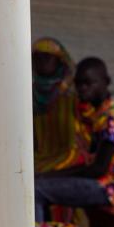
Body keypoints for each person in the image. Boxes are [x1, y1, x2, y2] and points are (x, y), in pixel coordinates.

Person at [32, 57, 114, 219]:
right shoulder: (103, 113)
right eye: (78, 84)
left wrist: (49, 175)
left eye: (88, 83)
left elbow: (97, 169)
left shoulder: (113, 117)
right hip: (112, 184)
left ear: (106, 82)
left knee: (36, 188)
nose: (82, 89)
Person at [31, 36, 84, 173]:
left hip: (69, 154)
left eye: (47, 57)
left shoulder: (74, 92)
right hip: (39, 155)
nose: (42, 62)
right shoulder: (29, 93)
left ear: (59, 60)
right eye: (38, 57)